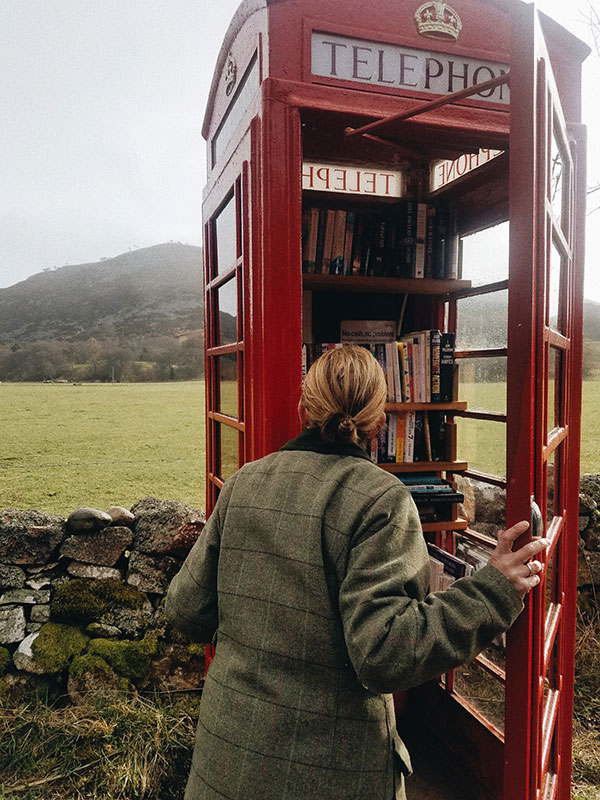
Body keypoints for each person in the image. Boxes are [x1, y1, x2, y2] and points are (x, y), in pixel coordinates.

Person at [166, 345, 548, 800]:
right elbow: (384, 654)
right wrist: (490, 592)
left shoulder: (245, 480)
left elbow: (186, 609)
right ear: (379, 421)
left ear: (303, 407)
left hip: (225, 762)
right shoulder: (380, 499)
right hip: (330, 773)